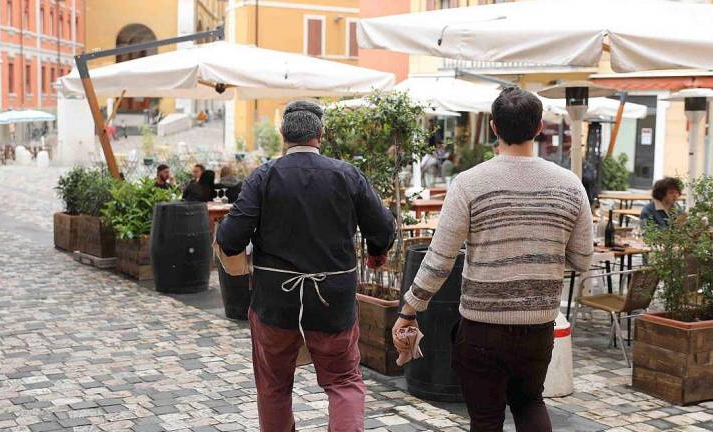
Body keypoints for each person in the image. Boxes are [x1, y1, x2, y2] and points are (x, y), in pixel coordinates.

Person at [393, 87, 594, 432]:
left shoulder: (470, 183)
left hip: (482, 327)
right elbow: (583, 258)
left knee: (485, 418)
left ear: (493, 126)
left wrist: (409, 309)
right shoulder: (570, 185)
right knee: (530, 402)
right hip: (539, 323)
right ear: (539, 127)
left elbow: (440, 259)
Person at [216, 100, 396, 432]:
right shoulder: (346, 174)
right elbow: (383, 229)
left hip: (275, 302)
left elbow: (229, 238)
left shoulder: (264, 176)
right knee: (343, 382)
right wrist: (376, 253)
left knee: (273, 385)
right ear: (320, 135)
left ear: (283, 135)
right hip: (333, 301)